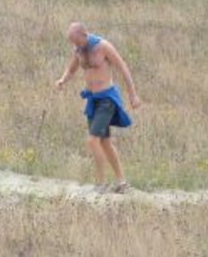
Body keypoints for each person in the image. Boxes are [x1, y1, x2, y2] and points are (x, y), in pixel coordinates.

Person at [54, 22, 142, 193]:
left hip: (107, 99)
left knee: (92, 140)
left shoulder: (103, 46)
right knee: (105, 142)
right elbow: (71, 70)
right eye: (72, 42)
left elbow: (123, 68)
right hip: (92, 100)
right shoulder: (78, 51)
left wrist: (133, 94)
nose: (75, 45)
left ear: (84, 34)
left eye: (76, 41)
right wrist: (62, 80)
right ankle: (121, 182)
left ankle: (101, 184)